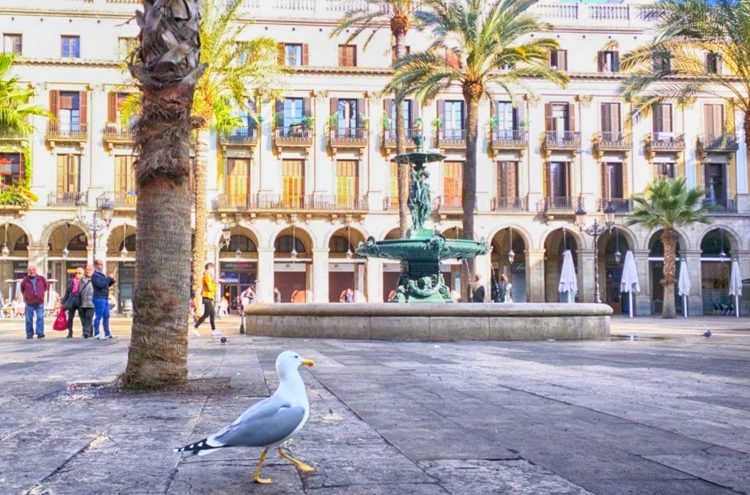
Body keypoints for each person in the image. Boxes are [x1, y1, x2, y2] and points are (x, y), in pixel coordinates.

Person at [20, 264, 49, 339]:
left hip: (39, 302)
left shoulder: (41, 278)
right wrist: (27, 296)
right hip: (29, 303)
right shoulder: (25, 280)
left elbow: (45, 287)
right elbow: (22, 289)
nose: (32, 271)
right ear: (28, 271)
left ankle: (40, 333)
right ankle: (29, 334)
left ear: (36, 270)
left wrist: (40, 294)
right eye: (30, 270)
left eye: (33, 270)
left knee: (40, 317)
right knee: (29, 319)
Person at [193, 262, 221, 337]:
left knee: (212, 313)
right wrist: (216, 285)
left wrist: (214, 283)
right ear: (209, 268)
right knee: (206, 314)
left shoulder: (209, 276)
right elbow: (210, 288)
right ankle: (195, 328)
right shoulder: (207, 275)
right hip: (207, 297)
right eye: (212, 268)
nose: (213, 270)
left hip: (208, 297)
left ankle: (214, 330)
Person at [92, 258, 116, 339]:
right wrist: (109, 278)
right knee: (98, 316)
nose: (101, 266)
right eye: (99, 264)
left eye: (102, 264)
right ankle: (97, 334)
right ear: (95, 265)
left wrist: (112, 281)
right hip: (99, 298)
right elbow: (100, 285)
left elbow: (105, 285)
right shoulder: (95, 275)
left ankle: (107, 333)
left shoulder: (102, 274)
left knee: (106, 316)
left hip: (104, 298)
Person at [62, 267, 86, 338]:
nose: (78, 274)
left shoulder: (84, 281)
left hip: (80, 300)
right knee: (70, 318)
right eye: (77, 273)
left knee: (82, 318)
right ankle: (70, 333)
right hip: (71, 300)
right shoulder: (71, 281)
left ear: (83, 274)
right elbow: (67, 292)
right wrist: (63, 302)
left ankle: (84, 332)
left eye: (80, 273)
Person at [78, 263, 96, 338]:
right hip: (82, 303)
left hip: (91, 303)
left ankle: (86, 333)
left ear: (93, 271)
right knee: (83, 319)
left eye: (90, 270)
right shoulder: (82, 279)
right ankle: (89, 332)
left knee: (88, 318)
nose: (88, 271)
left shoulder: (96, 279)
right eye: (87, 269)